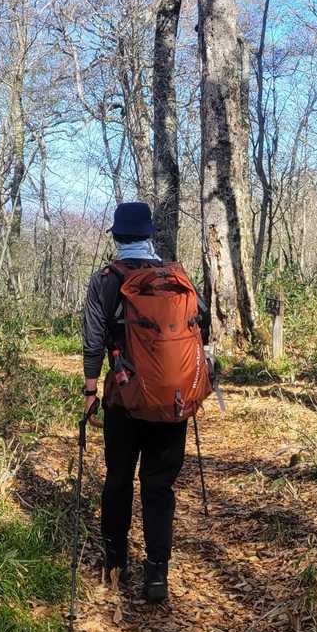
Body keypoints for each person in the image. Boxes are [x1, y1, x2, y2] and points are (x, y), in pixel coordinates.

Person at [81, 201, 210, 604]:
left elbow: (93, 340)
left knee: (118, 479)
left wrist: (89, 391)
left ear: (118, 237)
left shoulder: (106, 281)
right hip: (172, 402)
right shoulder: (176, 278)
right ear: (150, 235)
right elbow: (202, 325)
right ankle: (157, 574)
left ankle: (115, 562)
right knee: (159, 487)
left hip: (124, 399)